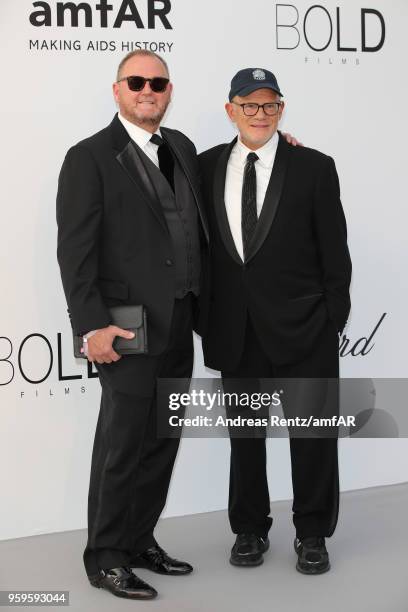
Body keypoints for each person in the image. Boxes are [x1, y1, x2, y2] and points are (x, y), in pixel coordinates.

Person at [56, 49, 209, 600]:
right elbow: (75, 253)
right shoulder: (89, 157)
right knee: (121, 444)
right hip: (124, 325)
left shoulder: (184, 148)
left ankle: (141, 539)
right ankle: (104, 557)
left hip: (181, 318)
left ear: (170, 91)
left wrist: (283, 148)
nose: (149, 90)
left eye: (159, 82)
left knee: (161, 441)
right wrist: (90, 325)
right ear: (118, 90)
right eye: (137, 81)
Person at [198, 68, 352, 574]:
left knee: (313, 437)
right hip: (233, 328)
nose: (259, 114)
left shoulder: (313, 167)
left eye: (269, 105)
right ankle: (248, 528)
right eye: (249, 105)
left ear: (281, 110)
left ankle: (312, 534)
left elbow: (335, 251)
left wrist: (332, 317)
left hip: (305, 327)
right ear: (230, 110)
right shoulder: (201, 169)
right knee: (245, 438)